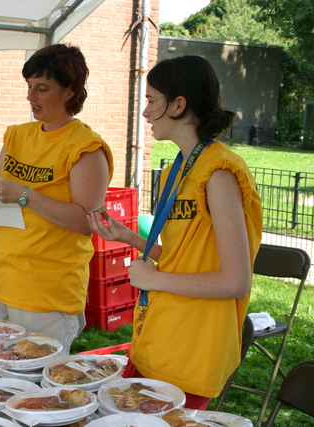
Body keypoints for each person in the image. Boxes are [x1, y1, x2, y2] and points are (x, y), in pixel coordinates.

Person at [88, 56, 263, 409]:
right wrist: (133, 239)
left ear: (179, 105)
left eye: (152, 100)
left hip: (193, 347)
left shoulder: (219, 174)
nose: (146, 112)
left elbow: (235, 281)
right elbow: (184, 259)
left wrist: (153, 281)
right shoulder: (177, 171)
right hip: (158, 337)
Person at [0, 44, 114, 355]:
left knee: (37, 390)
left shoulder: (86, 148)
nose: (31, 97)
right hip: (3, 280)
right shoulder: (16, 135)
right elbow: (1, 193)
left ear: (70, 91)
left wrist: (25, 195)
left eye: (42, 88)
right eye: (29, 86)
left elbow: (86, 222)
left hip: (48, 293)